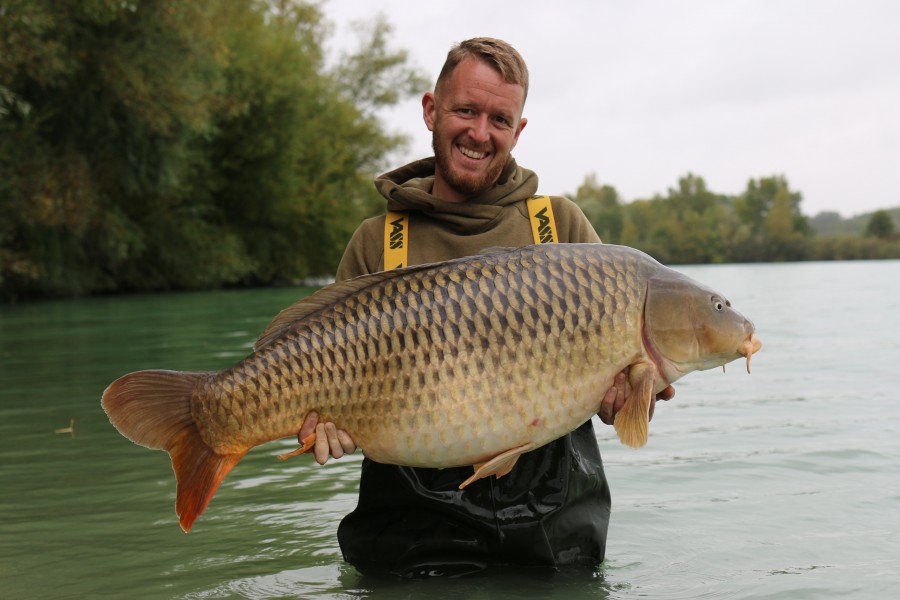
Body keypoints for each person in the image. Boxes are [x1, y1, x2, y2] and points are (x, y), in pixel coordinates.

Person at [298, 37, 674, 578]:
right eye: (466, 111)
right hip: (412, 545)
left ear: (518, 130)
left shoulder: (561, 228)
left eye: (499, 118)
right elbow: (324, 386)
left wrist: (621, 401)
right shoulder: (379, 241)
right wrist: (324, 429)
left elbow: (619, 406)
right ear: (431, 110)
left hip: (552, 543)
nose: (480, 132)